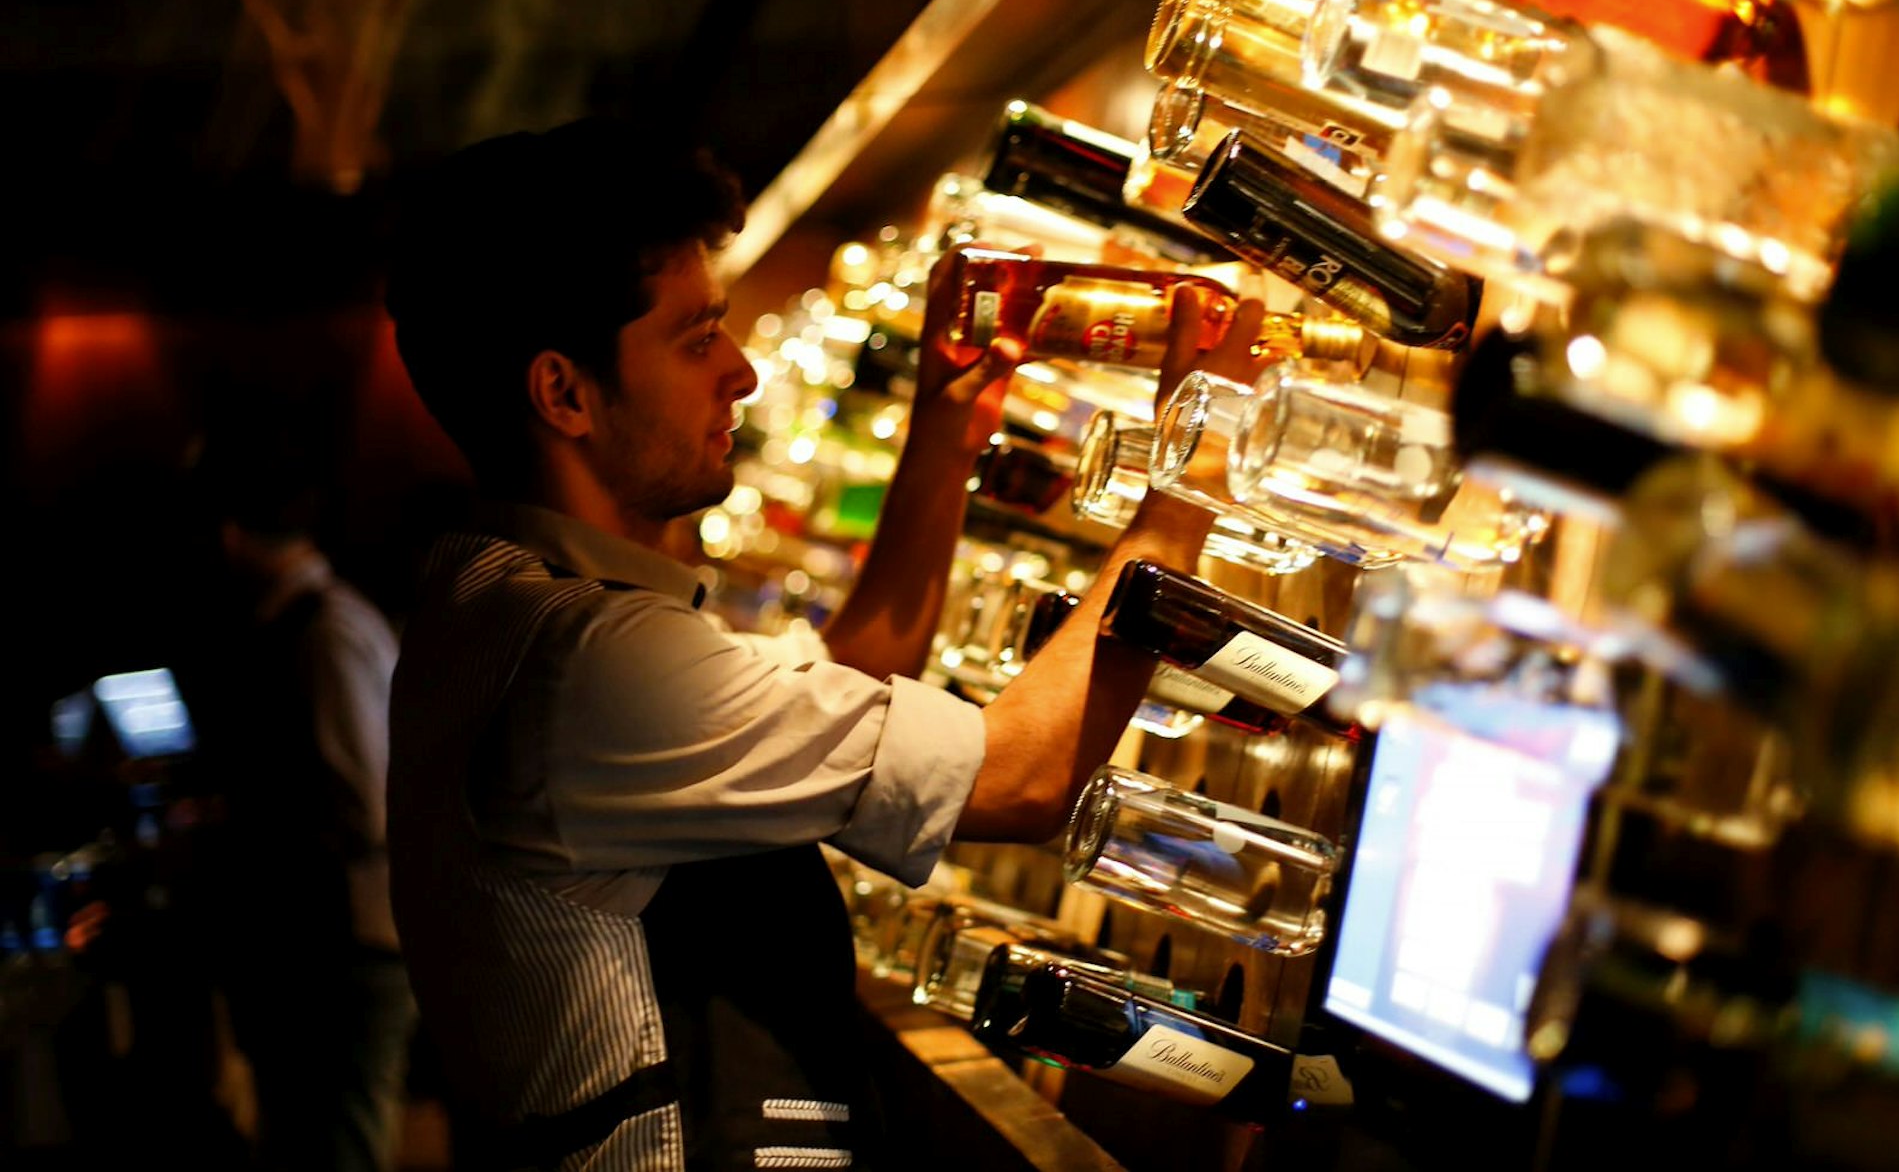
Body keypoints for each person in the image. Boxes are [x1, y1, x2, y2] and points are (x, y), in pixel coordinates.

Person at [380, 116, 1267, 1170]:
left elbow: (842, 678)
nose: (743, 372)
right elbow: (1026, 776)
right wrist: (1186, 488)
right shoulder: (588, 665)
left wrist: (944, 433)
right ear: (565, 392)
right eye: (698, 335)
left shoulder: (503, 606)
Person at [182, 429, 416, 1172]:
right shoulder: (316, 623)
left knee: (336, 1146)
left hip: (345, 951)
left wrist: (241, 824)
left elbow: (365, 809)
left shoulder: (323, 634)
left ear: (226, 532)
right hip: (337, 946)